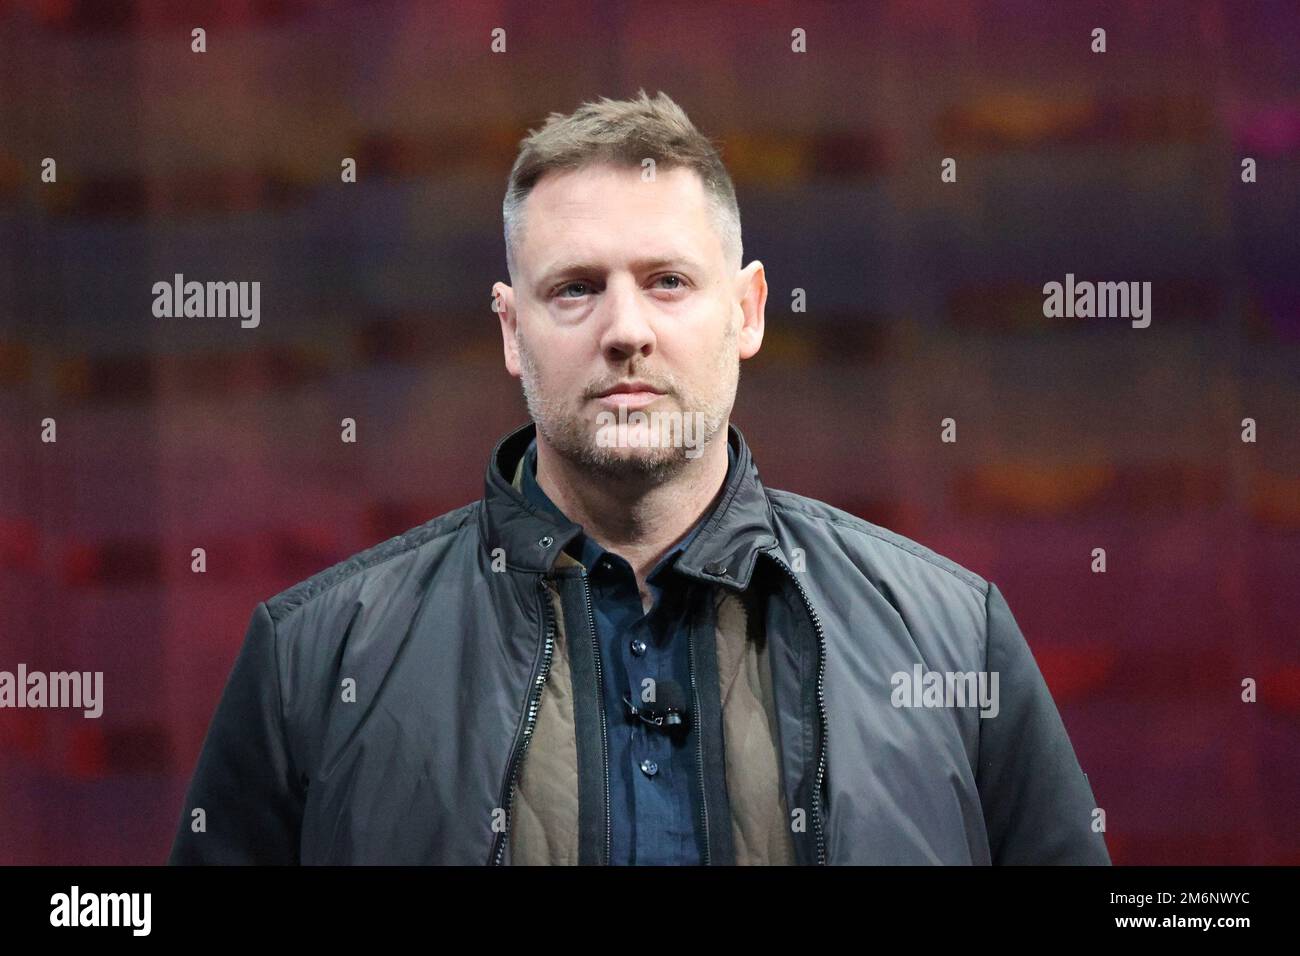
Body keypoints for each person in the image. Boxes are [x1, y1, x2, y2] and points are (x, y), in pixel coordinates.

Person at [168, 89, 1110, 865]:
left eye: (667, 281)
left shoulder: (953, 640)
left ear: (747, 311)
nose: (625, 330)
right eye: (575, 287)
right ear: (510, 328)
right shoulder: (313, 662)